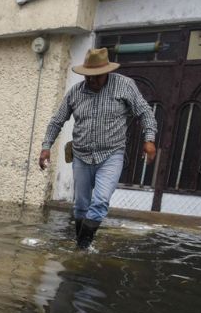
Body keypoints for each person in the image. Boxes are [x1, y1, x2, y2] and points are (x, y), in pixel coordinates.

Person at [39, 47, 157, 250]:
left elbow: (145, 112)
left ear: (107, 72)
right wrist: (46, 146)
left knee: (100, 201)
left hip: (111, 154)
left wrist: (150, 139)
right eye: (88, 76)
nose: (92, 80)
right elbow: (57, 120)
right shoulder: (75, 92)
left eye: (97, 76)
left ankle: (82, 247)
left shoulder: (124, 86)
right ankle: (82, 245)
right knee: (80, 206)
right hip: (81, 155)